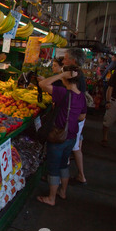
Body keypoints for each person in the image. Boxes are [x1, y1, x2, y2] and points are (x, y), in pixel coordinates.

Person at [37, 65, 87, 206]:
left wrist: (60, 75)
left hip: (58, 136)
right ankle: (63, 192)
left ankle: (51, 198)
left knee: (53, 168)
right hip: (71, 136)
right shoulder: (81, 96)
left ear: (66, 77)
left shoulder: (63, 93)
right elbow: (82, 117)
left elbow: (42, 84)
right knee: (64, 165)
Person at [63, 48, 88, 184]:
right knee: (76, 146)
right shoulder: (79, 74)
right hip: (78, 117)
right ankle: (80, 175)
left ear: (73, 61)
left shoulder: (76, 76)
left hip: (75, 118)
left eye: (66, 58)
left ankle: (65, 181)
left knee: (71, 147)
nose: (64, 60)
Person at [101, 65, 116, 153]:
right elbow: (110, 88)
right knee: (107, 121)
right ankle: (104, 138)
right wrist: (108, 101)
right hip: (114, 101)